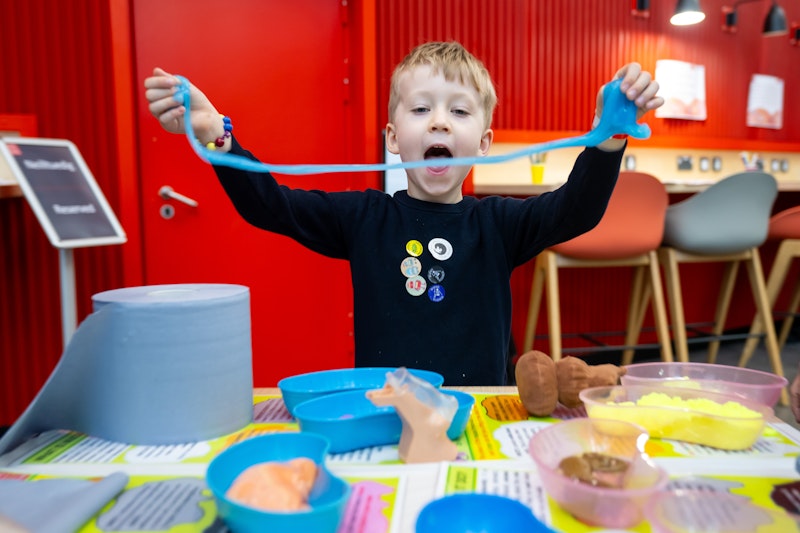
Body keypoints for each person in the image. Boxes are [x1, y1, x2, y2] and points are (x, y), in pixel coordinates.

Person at [144, 41, 663, 386]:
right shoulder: (365, 218)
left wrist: (609, 139)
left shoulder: (499, 224)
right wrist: (218, 135)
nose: (439, 123)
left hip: (479, 412)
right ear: (394, 139)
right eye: (420, 110)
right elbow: (269, 205)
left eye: (458, 111)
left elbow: (576, 210)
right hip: (388, 414)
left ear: (482, 143)